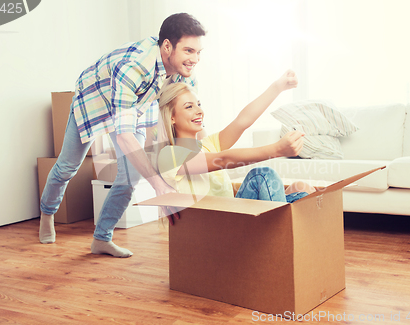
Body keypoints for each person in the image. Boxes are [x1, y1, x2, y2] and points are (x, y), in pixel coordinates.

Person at [39, 13, 206, 258]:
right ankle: (46, 213)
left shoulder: (182, 73)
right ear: (167, 46)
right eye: (189, 51)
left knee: (130, 176)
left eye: (199, 52)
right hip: (95, 100)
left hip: (133, 105)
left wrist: (200, 158)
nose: (195, 59)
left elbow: (189, 119)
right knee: (67, 167)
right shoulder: (135, 67)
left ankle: (101, 239)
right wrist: (159, 185)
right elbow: (125, 137)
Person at [156, 70, 316, 208]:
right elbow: (224, 159)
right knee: (262, 175)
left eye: (199, 104)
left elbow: (243, 121)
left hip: (237, 216)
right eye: (189, 106)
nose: (199, 111)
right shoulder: (169, 156)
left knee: (303, 190)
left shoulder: (208, 145)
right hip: (217, 228)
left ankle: (288, 232)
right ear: (172, 118)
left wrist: (278, 87)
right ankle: (282, 235)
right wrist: (276, 150)